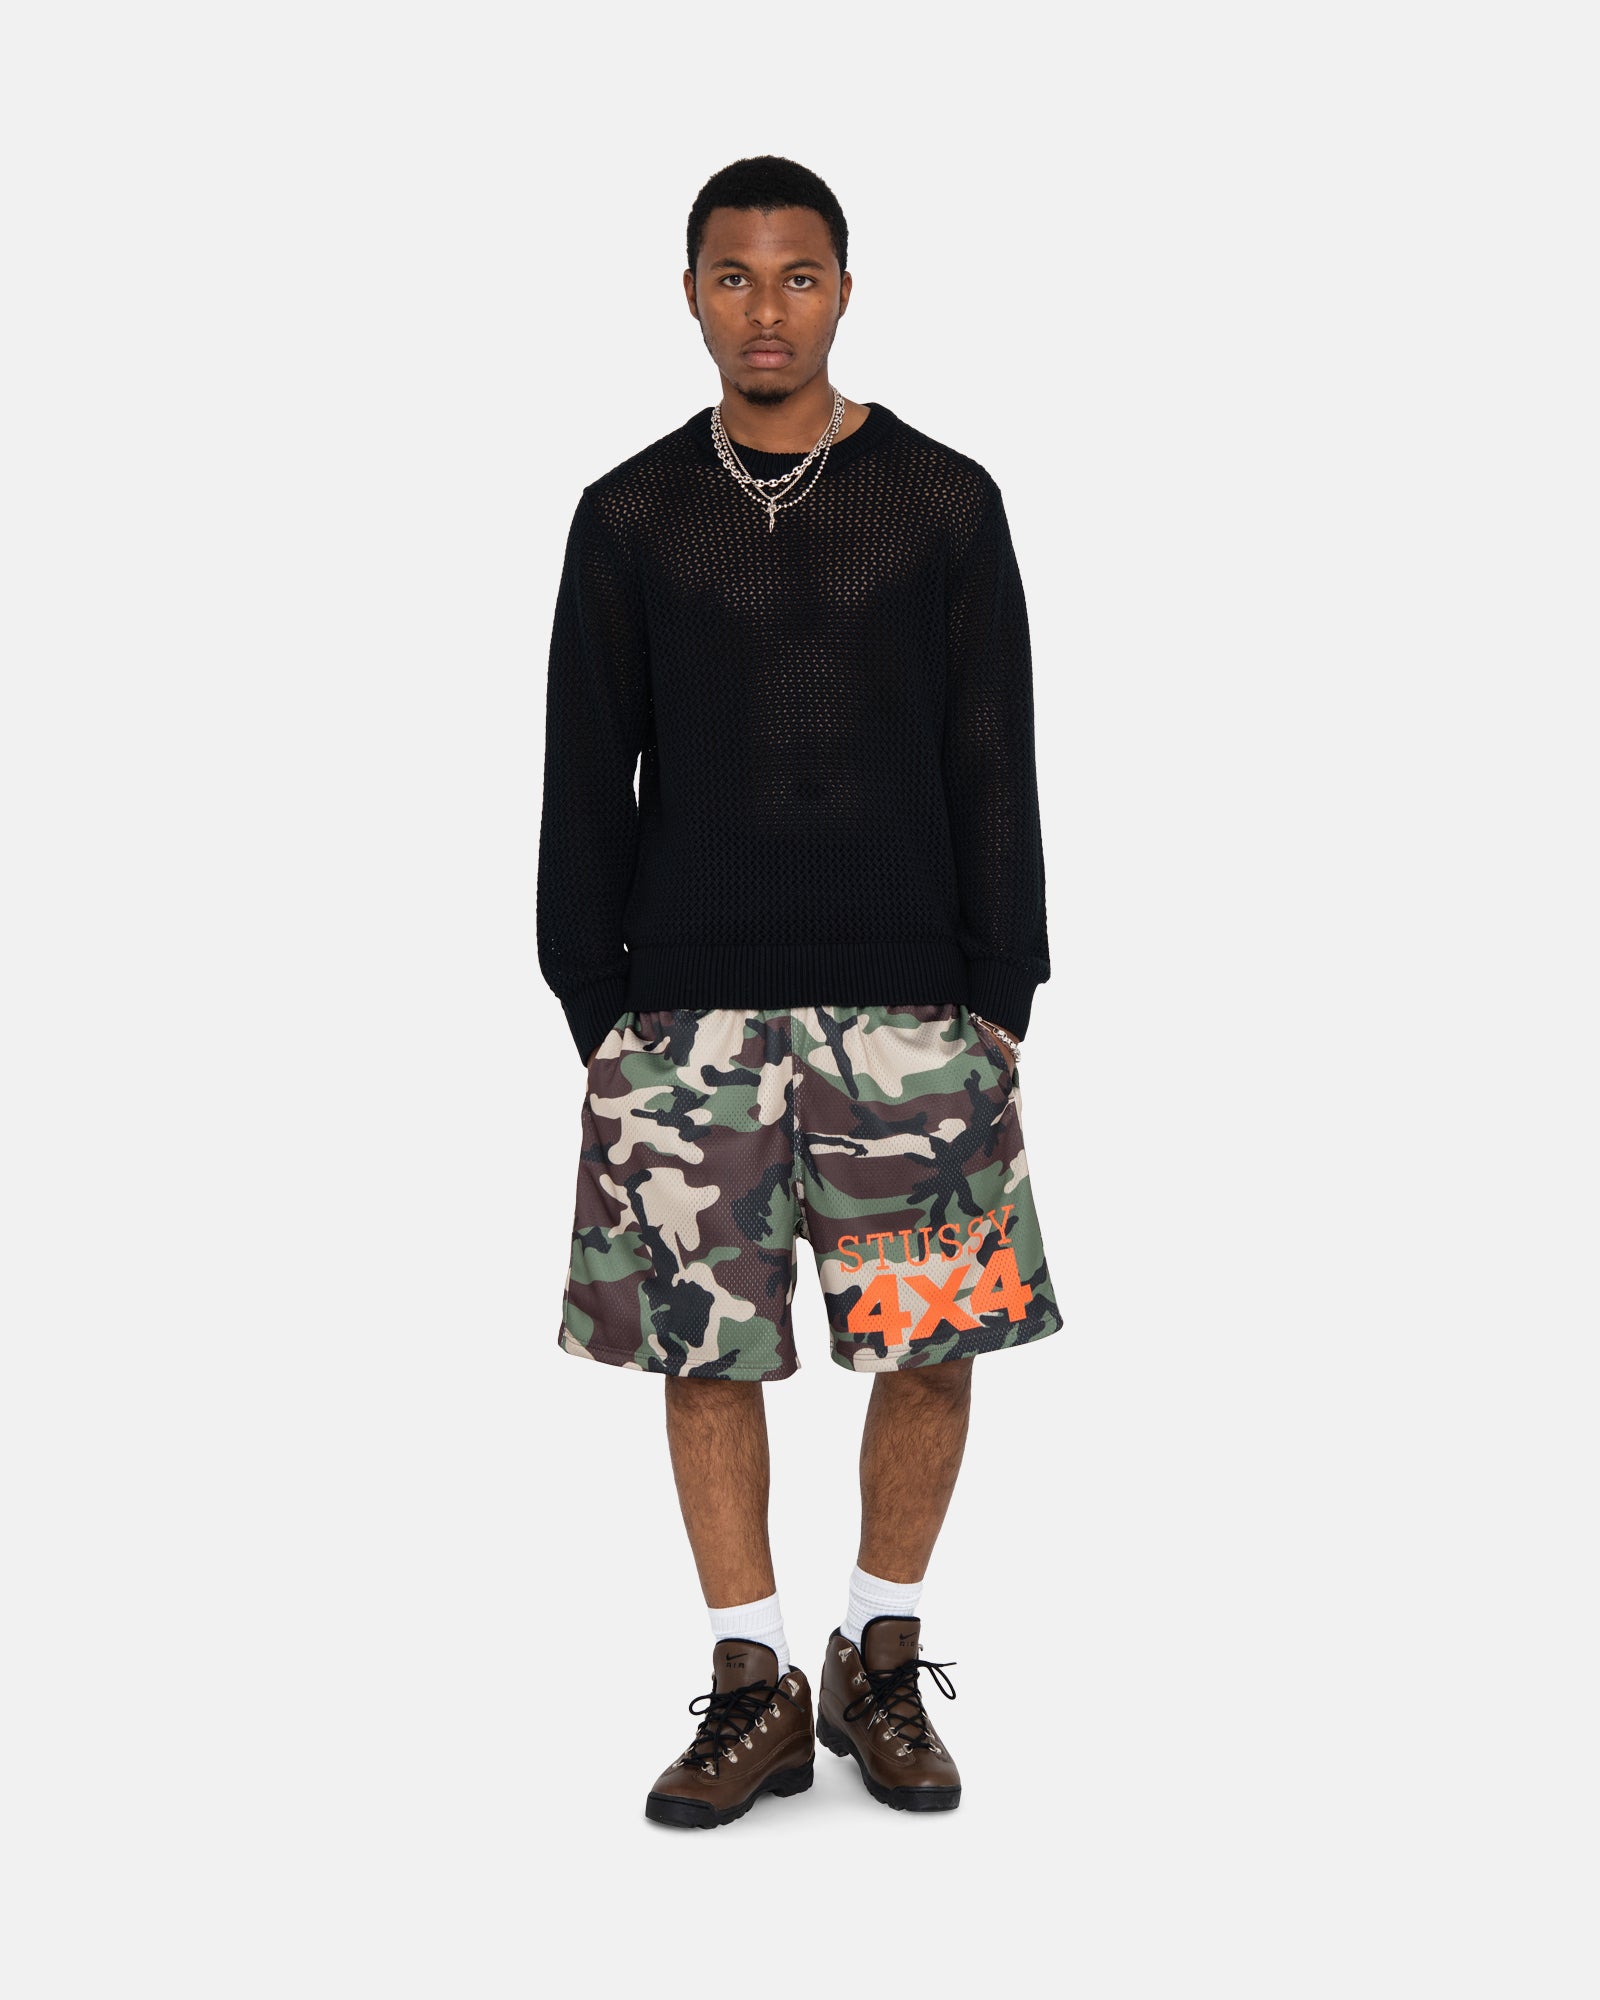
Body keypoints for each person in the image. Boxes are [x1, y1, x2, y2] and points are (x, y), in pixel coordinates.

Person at [537, 155, 1062, 1827]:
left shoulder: (943, 501)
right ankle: (751, 1679)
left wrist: (999, 992)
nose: (767, 310)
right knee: (708, 1356)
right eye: (734, 277)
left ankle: (876, 1654)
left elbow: (993, 753)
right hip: (685, 1023)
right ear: (691, 293)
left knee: (933, 1345)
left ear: (845, 288)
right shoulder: (630, 514)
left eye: (799, 276)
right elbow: (583, 774)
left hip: (912, 1017)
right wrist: (598, 1005)